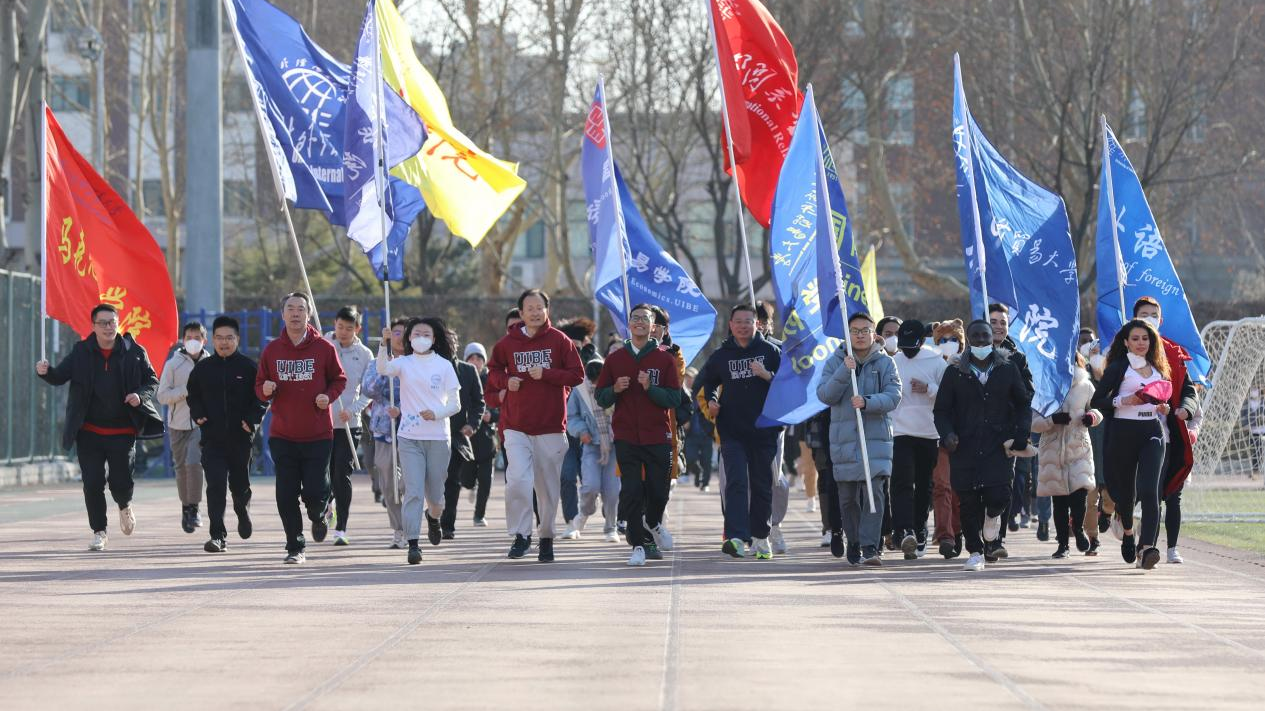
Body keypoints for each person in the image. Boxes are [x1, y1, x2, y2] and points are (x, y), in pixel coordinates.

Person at [36, 303, 164, 551]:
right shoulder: (81, 352)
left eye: (112, 322)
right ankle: (99, 531)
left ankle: (124, 505)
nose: (108, 327)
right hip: (89, 431)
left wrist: (139, 395)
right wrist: (45, 371)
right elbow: (59, 376)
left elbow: (152, 381)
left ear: (118, 323)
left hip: (123, 430)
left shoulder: (133, 351)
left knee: (120, 482)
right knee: (92, 483)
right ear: (93, 326)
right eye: (103, 323)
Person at [487, 289, 584, 562]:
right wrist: (507, 381)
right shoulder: (508, 343)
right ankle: (521, 535)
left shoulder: (560, 341)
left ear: (547, 310)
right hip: (516, 426)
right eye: (529, 307)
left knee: (547, 488)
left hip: (551, 427)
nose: (535, 312)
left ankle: (546, 537)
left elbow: (577, 375)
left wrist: (548, 374)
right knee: (518, 480)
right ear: (520, 313)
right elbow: (493, 371)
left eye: (539, 307)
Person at [255, 292, 347, 565]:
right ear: (282, 314)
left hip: (318, 434)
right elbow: (259, 386)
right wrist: (265, 389)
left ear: (308, 314)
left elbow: (339, 379)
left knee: (315, 493)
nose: (295, 313)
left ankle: (321, 512)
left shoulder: (324, 348)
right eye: (290, 309)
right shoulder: (272, 350)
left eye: (301, 309)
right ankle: (295, 546)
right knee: (285, 493)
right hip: (283, 435)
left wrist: (327, 397)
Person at [934, 320, 1033, 572]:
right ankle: (975, 552)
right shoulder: (955, 371)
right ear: (968, 340)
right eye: (975, 336)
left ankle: (992, 517)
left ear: (992, 339)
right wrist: (947, 434)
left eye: (985, 336)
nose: (980, 341)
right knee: (967, 500)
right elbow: (941, 410)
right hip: (964, 445)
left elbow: (1022, 403)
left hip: (997, 445)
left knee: (999, 494)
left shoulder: (1007, 368)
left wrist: (1021, 434)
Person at [595, 304, 683, 566]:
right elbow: (601, 397)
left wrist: (650, 388)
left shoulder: (665, 360)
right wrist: (615, 389)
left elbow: (674, 398)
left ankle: (654, 522)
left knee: (659, 490)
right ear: (629, 324)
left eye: (645, 319)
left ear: (653, 325)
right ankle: (638, 546)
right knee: (632, 491)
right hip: (626, 436)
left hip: (658, 435)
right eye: (635, 319)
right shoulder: (615, 359)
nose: (640, 323)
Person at [816, 312, 902, 566]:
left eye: (865, 330)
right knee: (848, 498)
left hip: (875, 441)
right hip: (844, 440)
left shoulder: (885, 363)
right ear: (847, 333)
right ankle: (852, 539)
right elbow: (825, 395)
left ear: (873, 333)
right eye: (855, 330)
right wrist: (845, 370)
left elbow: (894, 396)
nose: (860, 335)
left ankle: (869, 546)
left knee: (874, 495)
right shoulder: (836, 361)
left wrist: (868, 402)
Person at [374, 317, 461, 564]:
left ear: (434, 339)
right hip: (409, 437)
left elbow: (455, 404)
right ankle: (413, 543)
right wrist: (384, 343)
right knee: (412, 491)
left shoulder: (444, 366)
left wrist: (437, 413)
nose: (421, 338)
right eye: (416, 334)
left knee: (436, 499)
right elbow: (382, 368)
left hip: (437, 437)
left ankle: (433, 518)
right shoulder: (403, 363)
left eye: (427, 334)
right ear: (409, 338)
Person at [697, 303, 782, 559]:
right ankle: (735, 536)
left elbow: (790, 383)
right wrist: (712, 400)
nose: (744, 326)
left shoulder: (771, 351)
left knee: (762, 484)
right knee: (735, 481)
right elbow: (708, 381)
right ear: (731, 325)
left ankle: (761, 537)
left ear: (757, 324)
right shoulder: (722, 355)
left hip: (764, 429)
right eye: (739, 321)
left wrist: (768, 375)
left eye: (749, 321)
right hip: (731, 430)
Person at [1091, 318, 1175, 571]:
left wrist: (1165, 408)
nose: (1141, 343)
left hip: (1152, 431)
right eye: (1135, 339)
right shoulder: (1118, 367)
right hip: (1123, 433)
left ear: (1152, 342)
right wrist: (1124, 401)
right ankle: (1128, 532)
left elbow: (1164, 401)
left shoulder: (1159, 367)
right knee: (1125, 496)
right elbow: (1097, 401)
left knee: (1151, 492)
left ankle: (1146, 547)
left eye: (1145, 338)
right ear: (1126, 342)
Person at [187, 316, 267, 553]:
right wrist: (198, 413)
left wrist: (252, 420)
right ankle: (217, 536)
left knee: (240, 487)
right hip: (212, 439)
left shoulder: (249, 367)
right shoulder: (203, 369)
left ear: (237, 339)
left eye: (229, 338)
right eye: (219, 338)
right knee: (216, 485)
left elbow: (261, 398)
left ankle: (242, 512)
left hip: (241, 438)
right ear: (212, 340)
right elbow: (193, 396)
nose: (224, 343)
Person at [1133, 297, 1199, 564]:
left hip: (1166, 435)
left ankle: (1156, 548)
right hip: (1131, 434)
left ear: (1160, 320)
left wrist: (1186, 408)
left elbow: (1189, 391)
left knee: (1165, 493)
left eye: (1153, 315)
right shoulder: (1124, 350)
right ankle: (1125, 524)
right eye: (1143, 314)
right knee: (1139, 494)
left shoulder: (1173, 352)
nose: (1149, 319)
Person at [1031, 353, 1102, 558]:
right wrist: (1052, 419)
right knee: (1059, 502)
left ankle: (1078, 528)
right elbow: (1033, 422)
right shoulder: (1044, 387)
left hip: (1078, 448)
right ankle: (1063, 544)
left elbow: (1098, 410)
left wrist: (1091, 417)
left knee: (1079, 496)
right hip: (1053, 450)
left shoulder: (1086, 386)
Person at [888, 319, 947, 560]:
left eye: (912, 346)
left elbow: (948, 395)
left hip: (928, 432)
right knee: (902, 482)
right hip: (900, 431)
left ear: (923, 342)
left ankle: (920, 527)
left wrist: (930, 388)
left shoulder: (936, 361)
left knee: (924, 484)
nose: (908, 351)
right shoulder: (893, 362)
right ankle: (904, 530)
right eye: (904, 346)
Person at [988, 303, 1040, 541]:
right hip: (976, 431)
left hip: (1005, 432)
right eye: (993, 322)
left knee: (1003, 485)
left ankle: (997, 539)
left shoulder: (1017, 358)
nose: (998, 327)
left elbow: (1027, 395)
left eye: (1003, 323)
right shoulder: (968, 356)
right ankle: (980, 534)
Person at [324, 306, 374, 546]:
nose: (343, 332)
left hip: (348, 424)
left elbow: (370, 391)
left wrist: (352, 410)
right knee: (322, 475)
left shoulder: (365, 355)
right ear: (334, 324)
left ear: (358, 329)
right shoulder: (323, 345)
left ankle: (341, 528)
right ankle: (326, 510)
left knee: (341, 475)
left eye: (349, 328)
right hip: (320, 422)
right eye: (340, 326)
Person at [157, 321, 210, 534]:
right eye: (189, 337)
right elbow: (162, 396)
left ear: (204, 340)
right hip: (177, 424)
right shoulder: (173, 364)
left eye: (197, 338)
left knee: (194, 463)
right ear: (183, 339)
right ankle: (186, 507)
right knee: (181, 468)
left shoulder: (211, 363)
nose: (193, 341)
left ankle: (195, 508)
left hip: (202, 424)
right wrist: (184, 390)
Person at [363, 317, 407, 548]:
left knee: (407, 483)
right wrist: (385, 365)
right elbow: (369, 388)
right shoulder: (379, 360)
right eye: (396, 333)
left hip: (412, 430)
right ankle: (398, 529)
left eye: (404, 333)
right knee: (389, 485)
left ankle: (412, 526)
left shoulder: (415, 361)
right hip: (384, 430)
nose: (399, 337)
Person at [566, 359, 620, 542]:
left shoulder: (616, 386)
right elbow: (571, 416)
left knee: (612, 491)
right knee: (590, 486)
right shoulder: (579, 391)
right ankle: (584, 513)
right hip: (590, 446)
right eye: (593, 381)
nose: (597, 384)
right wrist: (581, 431)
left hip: (614, 447)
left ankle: (610, 528)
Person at [440, 328, 485, 539]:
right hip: (430, 433)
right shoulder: (429, 368)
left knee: (452, 481)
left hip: (457, 436)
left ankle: (447, 525)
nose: (447, 345)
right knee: (432, 481)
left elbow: (478, 402)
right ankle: (434, 512)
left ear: (456, 344)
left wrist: (472, 424)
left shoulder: (467, 371)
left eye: (450, 341)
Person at [754, 300, 791, 554]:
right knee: (745, 480)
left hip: (773, 424)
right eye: (753, 320)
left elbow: (791, 385)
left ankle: (774, 525)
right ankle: (754, 530)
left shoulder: (781, 350)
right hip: (743, 425)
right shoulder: (735, 349)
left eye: (763, 320)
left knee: (774, 478)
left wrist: (768, 375)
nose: (759, 325)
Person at [930, 319, 965, 558]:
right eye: (943, 340)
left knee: (960, 488)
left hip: (964, 434)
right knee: (942, 486)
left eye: (954, 340)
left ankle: (960, 529)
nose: (949, 344)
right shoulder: (928, 363)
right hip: (935, 434)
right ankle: (945, 535)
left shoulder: (969, 364)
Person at [462, 342, 498, 527]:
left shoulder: (492, 380)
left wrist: (492, 415)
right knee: (466, 480)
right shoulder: (460, 377)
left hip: (486, 440)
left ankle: (479, 515)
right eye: (472, 358)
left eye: (479, 358)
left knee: (486, 481)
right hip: (466, 440)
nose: (475, 362)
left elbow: (502, 407)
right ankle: (470, 485)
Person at [683, 368, 715, 491]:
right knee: (690, 459)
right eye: (687, 378)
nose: (689, 380)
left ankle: (705, 484)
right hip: (691, 434)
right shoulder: (685, 394)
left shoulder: (706, 392)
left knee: (707, 461)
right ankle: (697, 472)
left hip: (706, 433)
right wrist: (685, 421)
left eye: (691, 377)